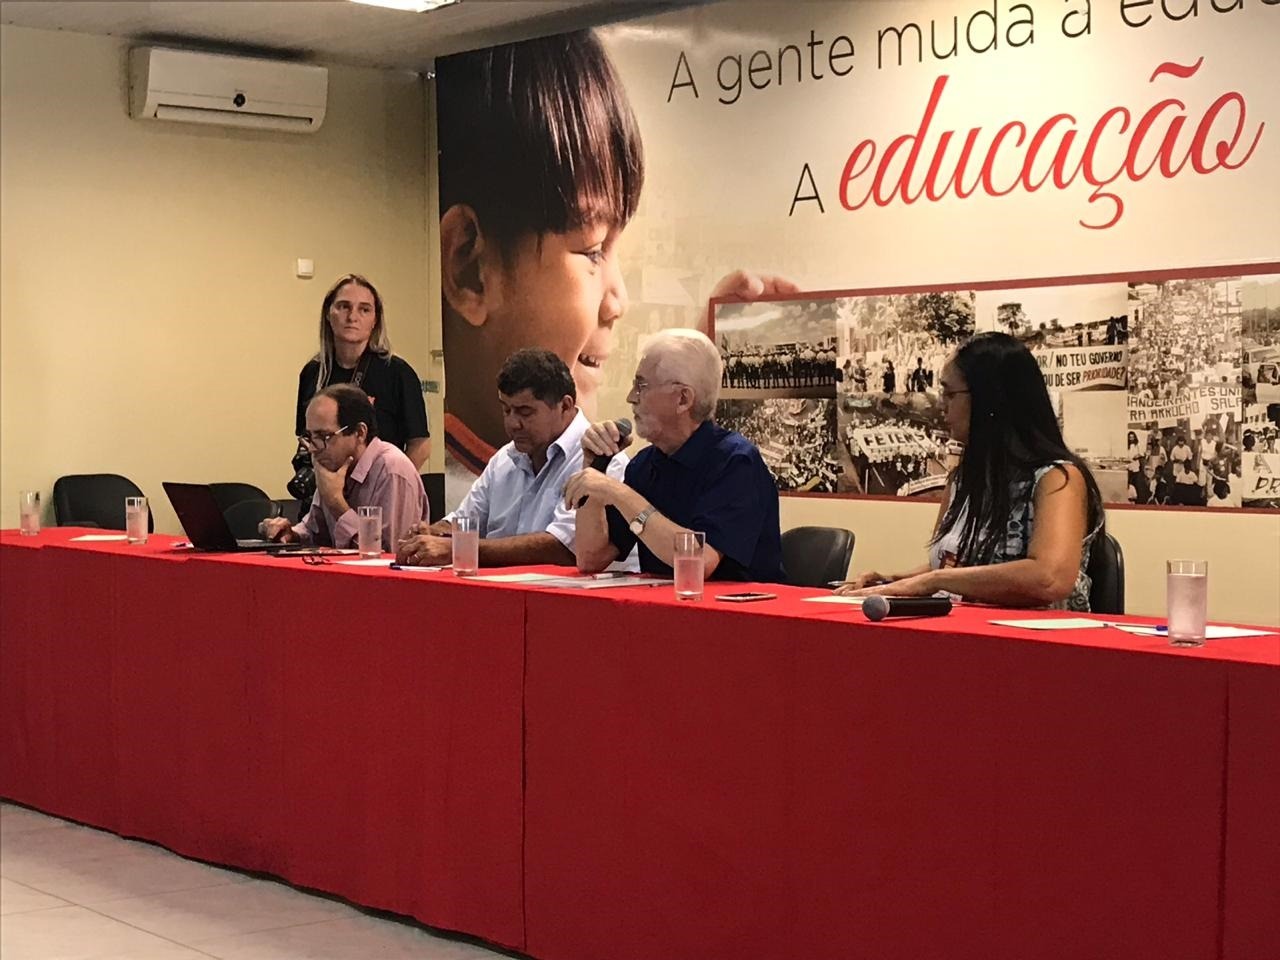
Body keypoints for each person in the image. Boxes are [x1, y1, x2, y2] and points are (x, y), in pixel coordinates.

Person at [836, 332, 1106, 610]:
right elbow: (953, 567)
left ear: (990, 399)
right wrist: (893, 581)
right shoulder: (963, 479)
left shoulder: (1058, 478)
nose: (941, 405)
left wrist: (934, 580)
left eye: (950, 394)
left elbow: (1049, 578)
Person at [564, 328, 784, 582]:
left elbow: (698, 562)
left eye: (641, 386)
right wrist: (594, 467)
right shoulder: (645, 464)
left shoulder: (736, 462)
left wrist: (619, 494)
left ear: (682, 399)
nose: (631, 397)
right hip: (664, 603)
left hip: (738, 605)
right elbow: (590, 559)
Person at [394, 349, 632, 568]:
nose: (512, 423)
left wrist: (459, 548)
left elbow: (564, 548)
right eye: (506, 410)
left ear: (565, 406)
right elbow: (465, 521)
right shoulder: (504, 459)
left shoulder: (602, 459)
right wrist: (433, 533)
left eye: (525, 412)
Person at [264, 384, 426, 551]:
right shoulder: (332, 463)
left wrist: (336, 503)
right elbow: (315, 531)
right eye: (310, 437)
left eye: (324, 436)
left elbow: (389, 555)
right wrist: (292, 534)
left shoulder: (392, 470)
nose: (312, 448)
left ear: (360, 433)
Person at [296, 274, 430, 469]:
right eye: (344, 306)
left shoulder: (398, 373)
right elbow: (306, 437)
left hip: (377, 482)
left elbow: (421, 445)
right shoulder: (313, 372)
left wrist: (392, 480)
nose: (352, 317)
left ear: (375, 319)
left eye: (364, 309)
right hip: (324, 481)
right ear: (328, 314)